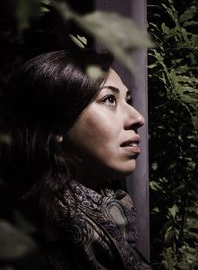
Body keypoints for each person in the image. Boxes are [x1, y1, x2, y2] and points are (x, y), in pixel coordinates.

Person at [1, 49, 151, 269]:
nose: (138, 118)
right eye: (109, 99)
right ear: (55, 124)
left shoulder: (112, 217)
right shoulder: (27, 247)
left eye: (128, 100)